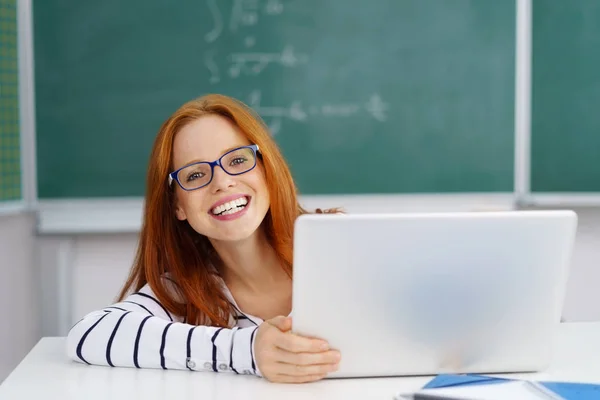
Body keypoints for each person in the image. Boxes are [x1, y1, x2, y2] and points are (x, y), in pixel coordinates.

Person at [66, 94, 342, 384]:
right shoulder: (183, 292)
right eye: (196, 175)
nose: (222, 182)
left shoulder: (339, 245)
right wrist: (248, 351)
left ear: (267, 169)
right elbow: (90, 334)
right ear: (178, 206)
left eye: (237, 160)